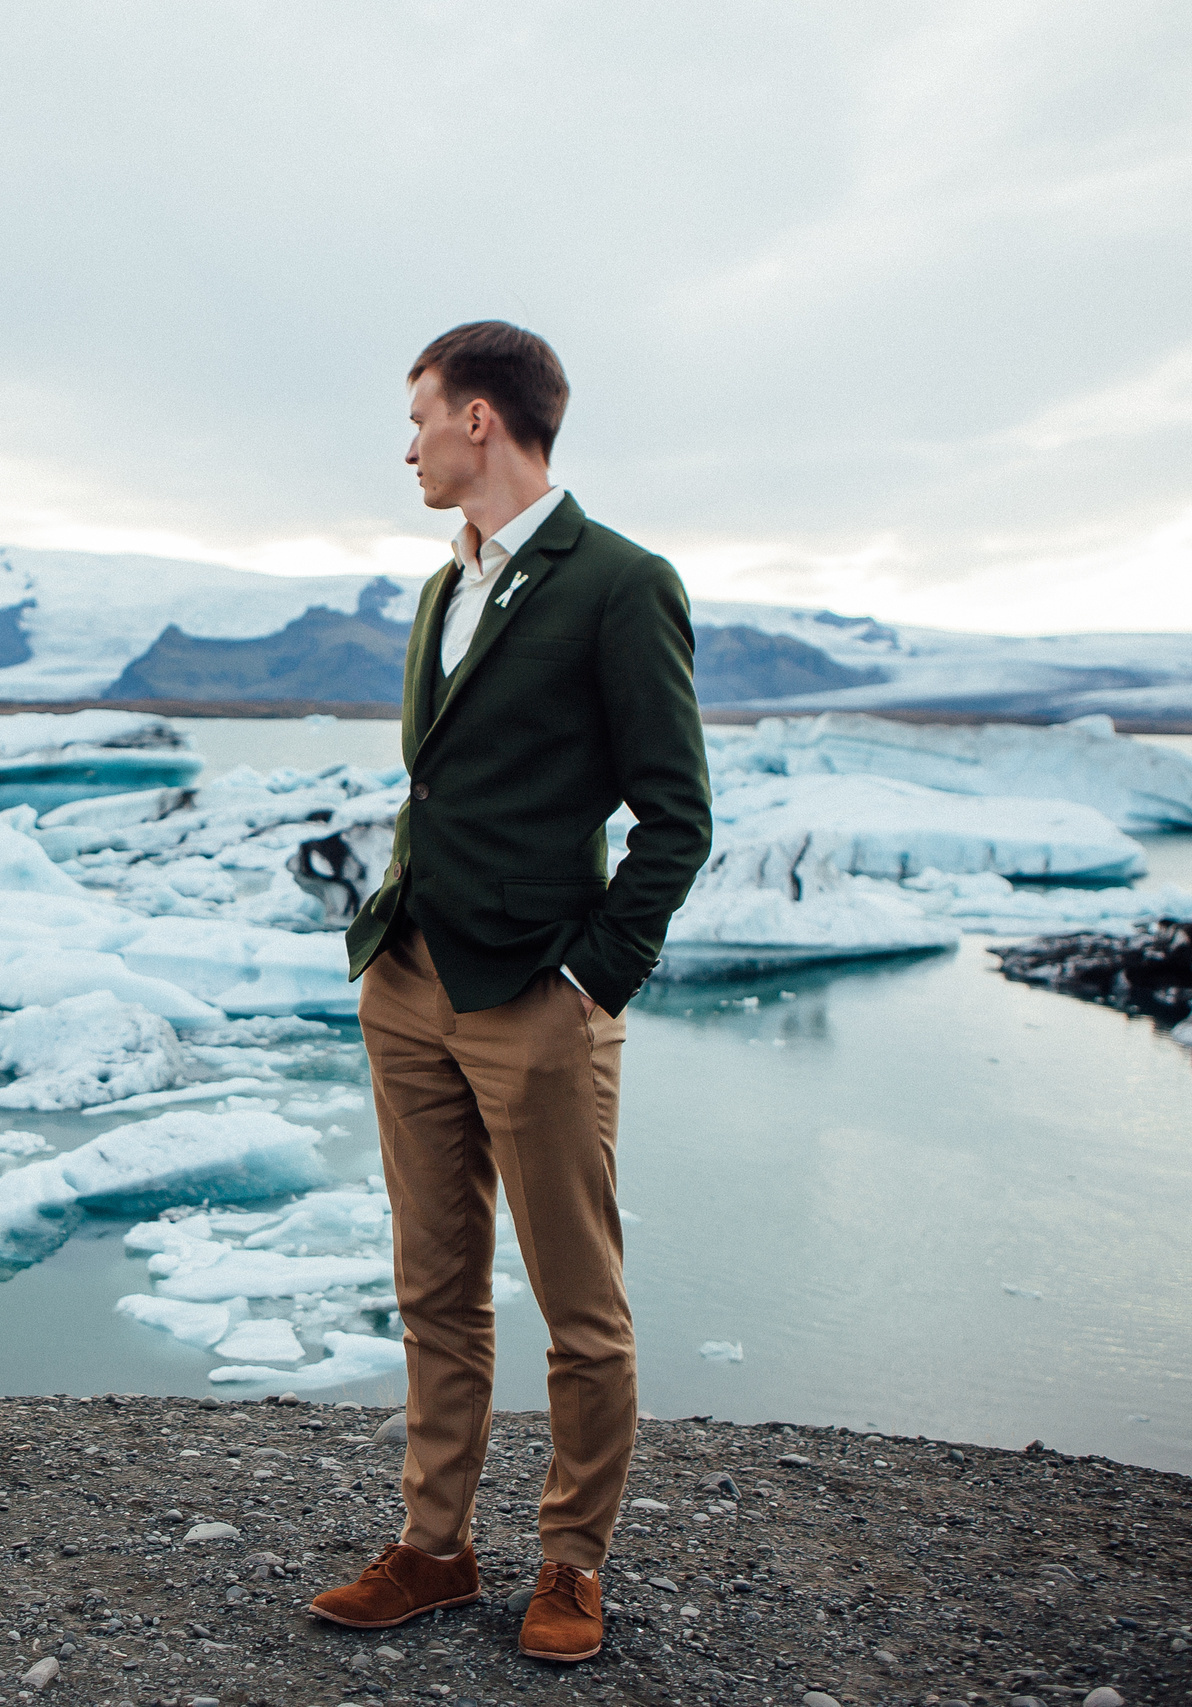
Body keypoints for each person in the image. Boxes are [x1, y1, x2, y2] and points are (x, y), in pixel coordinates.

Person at [306, 322, 713, 1662]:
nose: (408, 443)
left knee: (580, 1300)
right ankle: (434, 1546)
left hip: (537, 991)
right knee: (436, 1282)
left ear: (481, 419)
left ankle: (571, 1564)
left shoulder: (620, 581)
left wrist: (593, 980)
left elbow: (676, 816)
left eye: (419, 416)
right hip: (412, 973)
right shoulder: (442, 587)